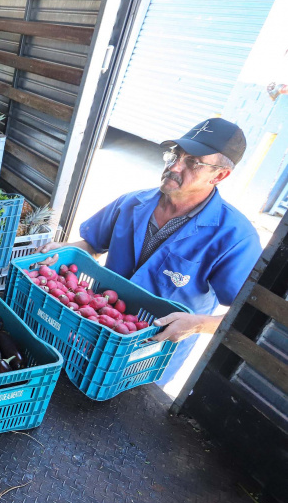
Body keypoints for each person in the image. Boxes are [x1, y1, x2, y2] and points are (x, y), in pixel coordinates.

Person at [37, 118, 263, 387]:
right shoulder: (132, 203)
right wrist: (63, 251)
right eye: (175, 155)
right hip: (95, 325)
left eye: (192, 162)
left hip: (150, 354)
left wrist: (198, 324)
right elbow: (91, 246)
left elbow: (247, 316)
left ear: (219, 175)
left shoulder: (235, 237)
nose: (174, 166)